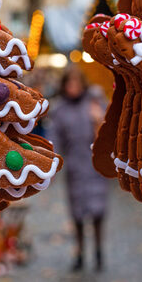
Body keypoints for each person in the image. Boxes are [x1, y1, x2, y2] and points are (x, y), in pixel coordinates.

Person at [47, 66, 107, 271]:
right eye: (69, 84)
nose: (73, 87)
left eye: (77, 83)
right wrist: (51, 165)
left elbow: (110, 130)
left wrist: (98, 118)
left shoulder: (95, 100)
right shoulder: (59, 109)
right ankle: (80, 253)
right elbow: (53, 139)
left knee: (99, 212)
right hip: (75, 168)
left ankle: (99, 252)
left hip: (95, 166)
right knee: (78, 214)